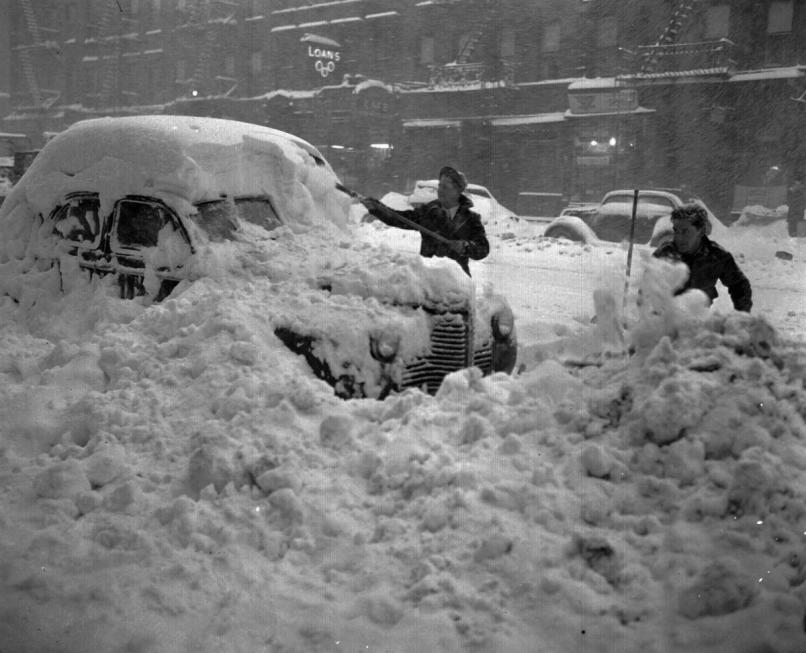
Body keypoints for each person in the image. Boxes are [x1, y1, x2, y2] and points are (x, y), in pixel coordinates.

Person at [360, 166, 489, 276]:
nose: (440, 190)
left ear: (458, 191)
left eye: (445, 187)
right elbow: (399, 219)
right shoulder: (429, 212)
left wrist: (465, 246)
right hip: (429, 280)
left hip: (456, 282)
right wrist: (377, 208)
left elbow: (483, 249)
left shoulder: (471, 219)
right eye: (440, 186)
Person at [653, 203, 752, 312]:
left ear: (700, 231)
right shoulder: (665, 254)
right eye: (676, 230)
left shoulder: (716, 256)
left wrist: (741, 315)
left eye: (685, 231)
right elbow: (647, 292)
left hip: (700, 320)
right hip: (667, 321)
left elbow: (739, 286)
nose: (678, 237)